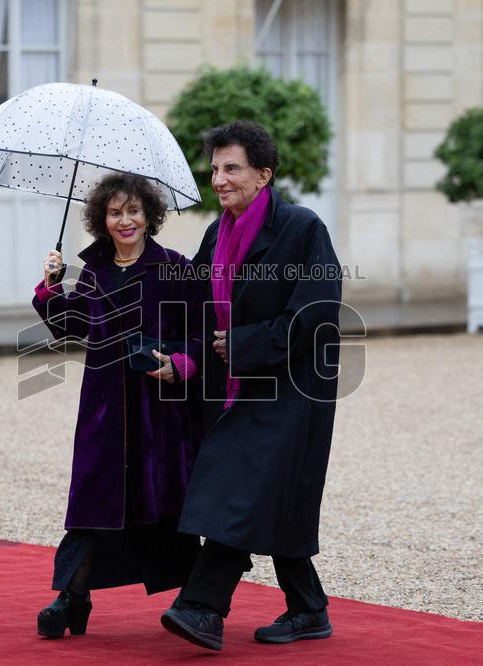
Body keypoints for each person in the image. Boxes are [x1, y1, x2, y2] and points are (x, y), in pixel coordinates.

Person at [159, 121, 342, 651]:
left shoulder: (303, 229)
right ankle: (309, 609)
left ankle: (202, 608)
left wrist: (244, 346)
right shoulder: (216, 233)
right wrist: (178, 357)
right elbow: (195, 308)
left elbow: (316, 312)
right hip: (231, 387)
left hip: (291, 387)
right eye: (214, 168)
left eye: (231, 167)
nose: (219, 178)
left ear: (264, 174)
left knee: (237, 488)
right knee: (268, 494)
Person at [32, 173, 203, 639]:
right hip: (104, 408)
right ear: (101, 219)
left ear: (149, 214)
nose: (124, 220)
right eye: (114, 212)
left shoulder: (175, 267)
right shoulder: (95, 271)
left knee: (166, 503)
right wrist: (51, 287)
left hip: (159, 413)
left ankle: (198, 600)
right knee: (93, 500)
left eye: (133, 210)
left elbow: (200, 333)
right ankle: (72, 596)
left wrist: (180, 364)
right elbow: (73, 327)